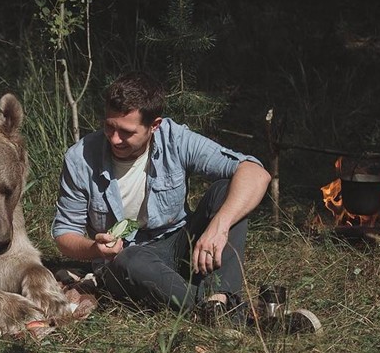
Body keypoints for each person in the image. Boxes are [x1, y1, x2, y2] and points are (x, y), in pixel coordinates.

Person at [52, 72, 272, 323]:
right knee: (130, 259)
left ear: (154, 126)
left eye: (126, 132)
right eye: (109, 126)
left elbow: (255, 173)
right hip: (128, 261)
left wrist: (219, 227)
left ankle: (218, 302)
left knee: (225, 190)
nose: (114, 138)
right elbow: (64, 235)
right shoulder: (80, 158)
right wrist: (94, 248)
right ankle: (227, 312)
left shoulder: (175, 139)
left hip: (180, 244)